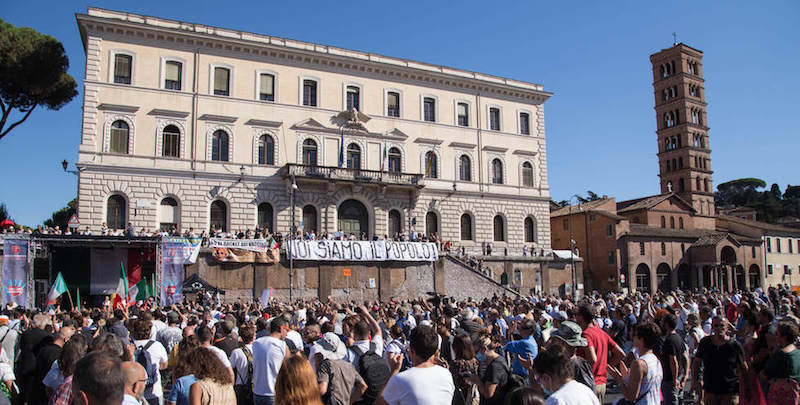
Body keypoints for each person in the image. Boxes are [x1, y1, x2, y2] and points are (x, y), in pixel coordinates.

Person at [378, 325, 455, 405]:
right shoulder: (447, 374)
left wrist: (394, 371)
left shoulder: (400, 380)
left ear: (411, 350)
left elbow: (380, 402)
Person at [692, 316, 747, 405]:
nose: (719, 328)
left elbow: (744, 368)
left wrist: (747, 387)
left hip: (730, 390)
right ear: (712, 327)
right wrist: (694, 381)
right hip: (710, 389)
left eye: (722, 326)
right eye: (716, 326)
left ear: (727, 327)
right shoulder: (705, 343)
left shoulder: (735, 346)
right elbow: (696, 362)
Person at [575, 304, 624, 403]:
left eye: (577, 314)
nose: (575, 317)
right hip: (602, 382)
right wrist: (607, 366)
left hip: (589, 382)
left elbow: (593, 359)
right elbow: (620, 353)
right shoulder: (602, 333)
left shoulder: (585, 334)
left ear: (582, 317)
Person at [607, 322, 663, 405]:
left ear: (642, 339)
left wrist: (619, 379)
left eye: (635, 335)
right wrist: (628, 378)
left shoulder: (639, 363)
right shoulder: (655, 360)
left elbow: (631, 396)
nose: (632, 337)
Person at [531, 345, 598, 405]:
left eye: (539, 379)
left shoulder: (555, 400)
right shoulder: (586, 391)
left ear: (546, 377)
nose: (541, 384)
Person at [315, 332, 367, 405]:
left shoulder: (325, 365)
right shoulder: (349, 365)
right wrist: (349, 402)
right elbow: (363, 386)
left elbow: (322, 389)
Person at [545, 321, 595, 391]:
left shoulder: (579, 365)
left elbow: (589, 391)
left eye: (556, 340)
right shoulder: (561, 362)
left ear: (562, 342)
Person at [468, 333, 516, 405]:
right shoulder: (499, 360)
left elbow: (488, 394)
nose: (476, 355)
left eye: (477, 352)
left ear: (484, 349)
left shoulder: (495, 366)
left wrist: (477, 380)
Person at [253, 316, 290, 405]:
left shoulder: (256, 343)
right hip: (274, 393)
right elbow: (289, 368)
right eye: (287, 330)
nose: (287, 334)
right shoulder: (282, 345)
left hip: (257, 392)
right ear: (281, 329)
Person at [133, 318, 169, 405]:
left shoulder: (129, 346)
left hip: (135, 392)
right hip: (154, 390)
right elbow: (165, 364)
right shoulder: (157, 346)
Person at [761, 320, 800, 398]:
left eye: (777, 333)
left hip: (782, 397)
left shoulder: (781, 354)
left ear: (784, 337)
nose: (775, 336)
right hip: (795, 395)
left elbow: (764, 374)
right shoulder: (797, 352)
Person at [659, 314, 688, 405]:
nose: (661, 324)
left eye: (663, 322)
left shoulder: (669, 341)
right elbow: (685, 357)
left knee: (671, 401)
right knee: (679, 399)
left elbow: (673, 361)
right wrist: (685, 374)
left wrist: (674, 379)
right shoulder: (678, 338)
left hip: (670, 378)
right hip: (679, 375)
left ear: (667, 325)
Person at [449, 334, 479, 405]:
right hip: (474, 397)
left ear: (456, 348)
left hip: (460, 399)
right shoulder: (476, 362)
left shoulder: (456, 364)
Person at [230, 325, 255, 405]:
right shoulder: (258, 349)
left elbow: (231, 368)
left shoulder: (236, 352)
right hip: (256, 386)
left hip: (240, 386)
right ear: (253, 337)